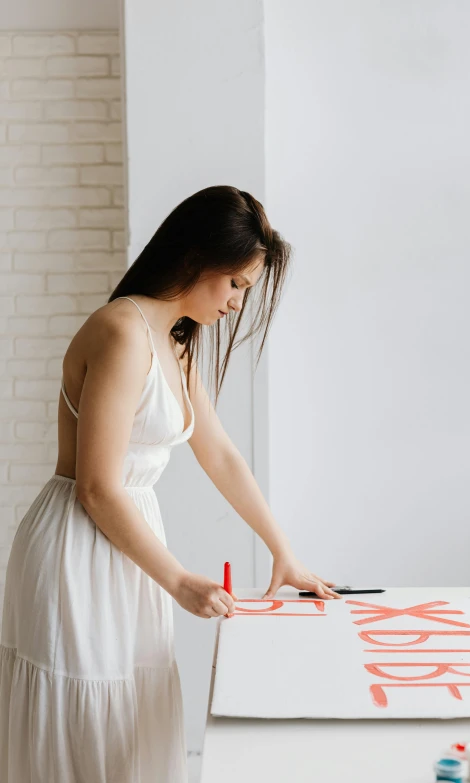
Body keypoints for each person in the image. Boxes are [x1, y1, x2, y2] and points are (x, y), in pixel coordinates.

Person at [0, 185, 340, 782]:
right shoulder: (121, 332)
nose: (237, 304)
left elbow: (223, 457)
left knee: (130, 721)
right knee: (87, 729)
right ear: (193, 258)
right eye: (235, 283)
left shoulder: (174, 345)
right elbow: (97, 487)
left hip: (129, 551)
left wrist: (282, 551)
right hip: (80, 550)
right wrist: (179, 579)